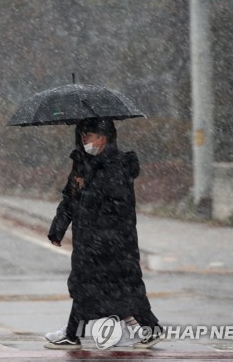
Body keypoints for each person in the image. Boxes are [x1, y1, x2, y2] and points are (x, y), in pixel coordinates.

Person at [44, 118, 161, 350]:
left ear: (103, 138)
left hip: (114, 241)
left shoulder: (116, 166)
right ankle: (149, 328)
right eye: (81, 136)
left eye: (89, 135)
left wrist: (88, 189)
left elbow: (118, 206)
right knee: (96, 287)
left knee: (112, 286)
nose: (84, 140)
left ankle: (73, 334)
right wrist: (58, 229)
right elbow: (69, 198)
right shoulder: (82, 164)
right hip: (89, 239)